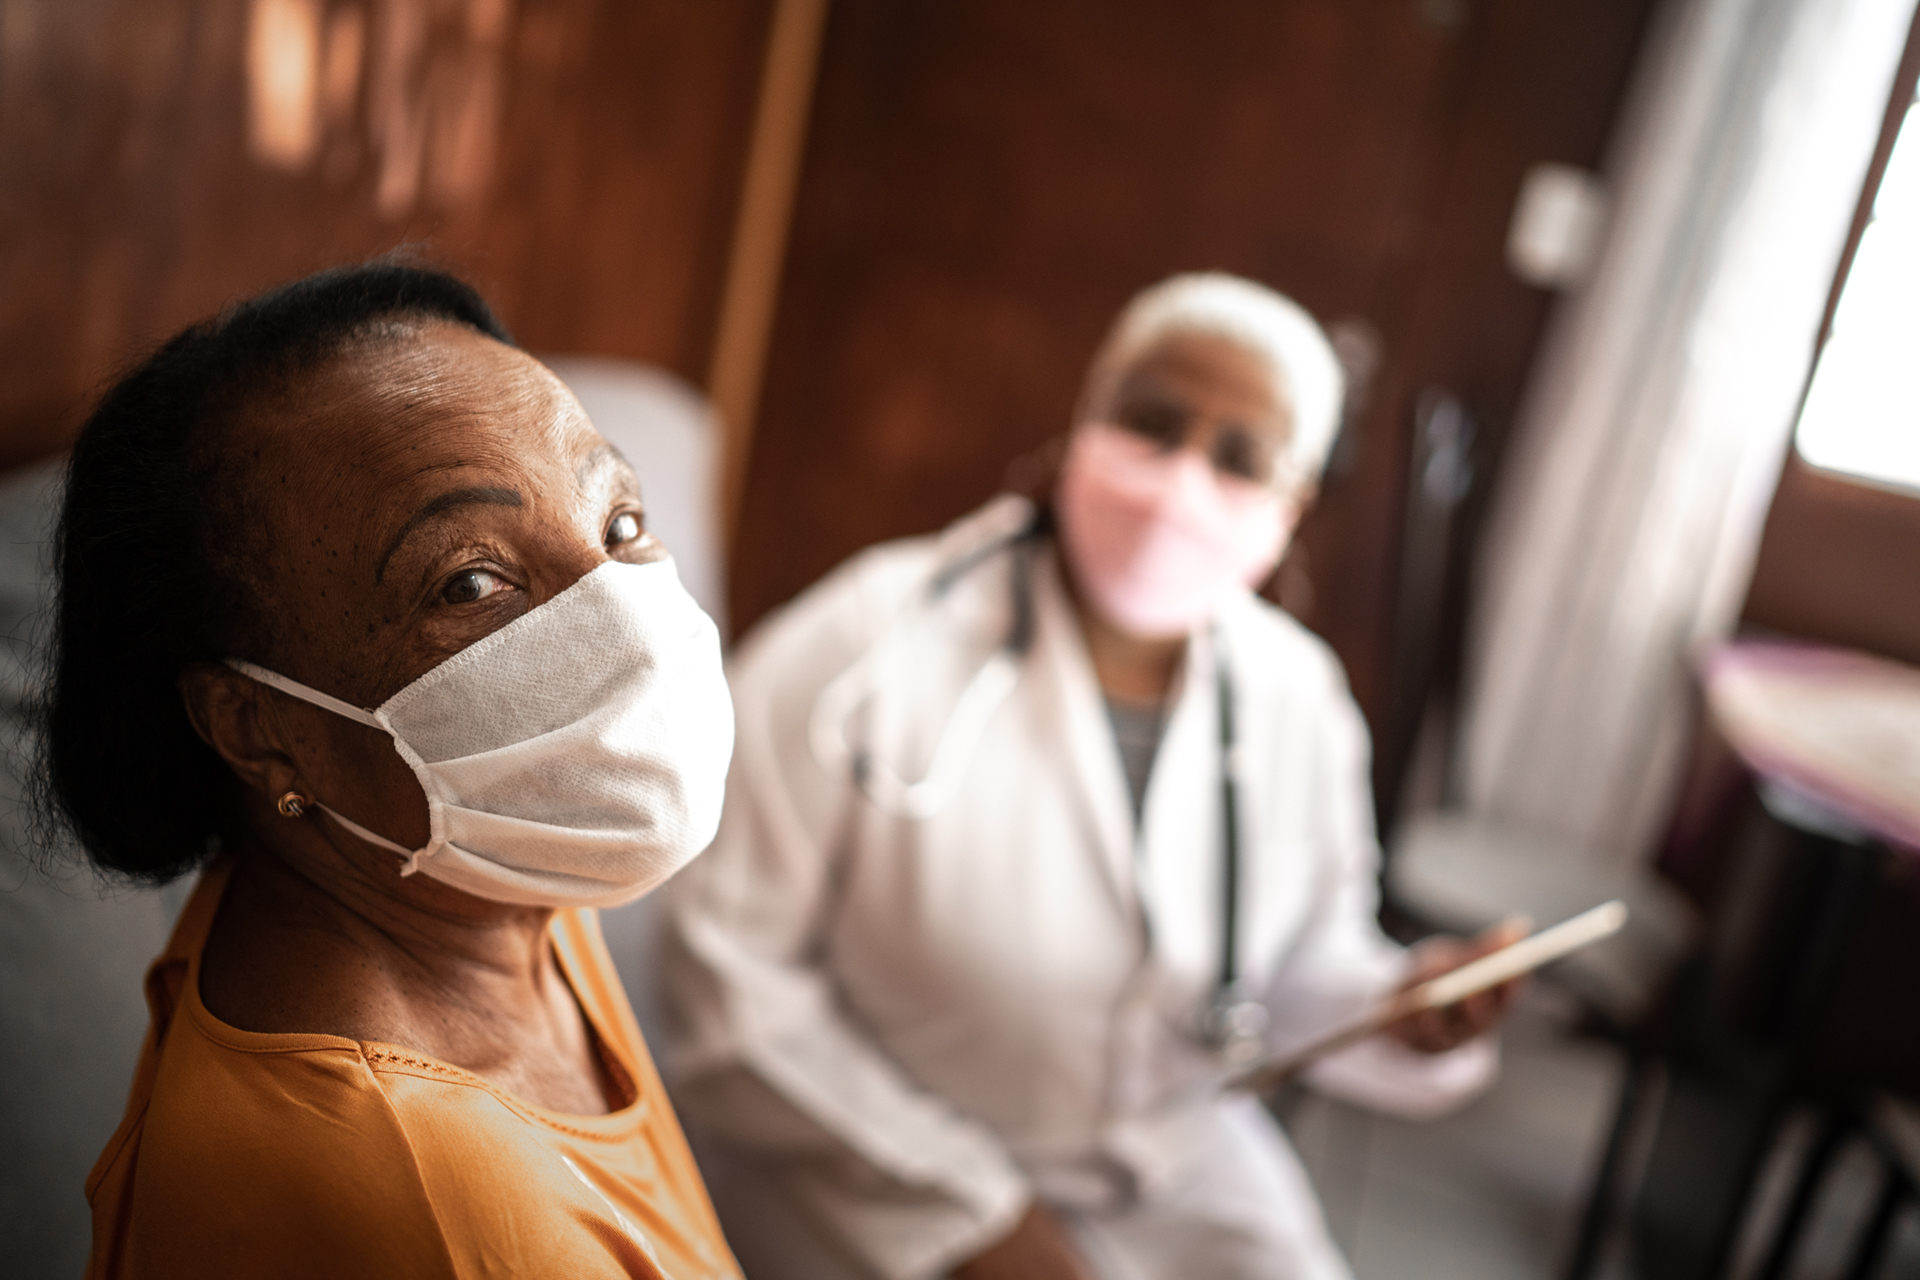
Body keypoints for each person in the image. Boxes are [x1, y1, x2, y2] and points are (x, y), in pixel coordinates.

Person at [660, 273, 1521, 1280]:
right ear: (1083, 420)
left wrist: (1403, 1007)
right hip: (869, 1172)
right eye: (1151, 422)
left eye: (1240, 458)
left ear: (1290, 508)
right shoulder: (864, 642)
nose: (1177, 482)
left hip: (1171, 1168)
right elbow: (727, 985)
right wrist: (969, 1215)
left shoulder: (1300, 695)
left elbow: (1297, 970)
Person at [38, 263, 742, 1279]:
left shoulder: (478, 872)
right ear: (257, 724)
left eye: (619, 521)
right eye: (471, 580)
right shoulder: (422, 1196)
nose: (623, 625)